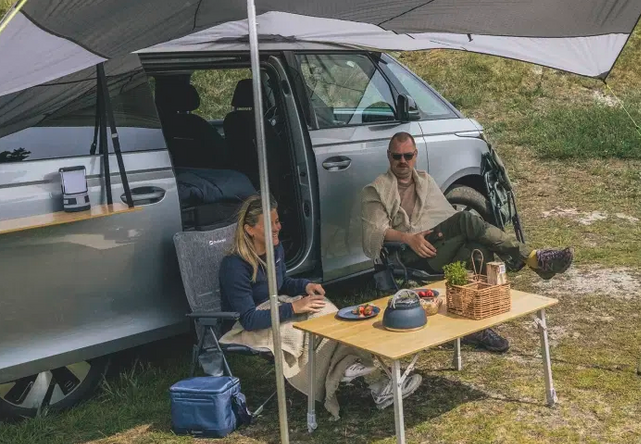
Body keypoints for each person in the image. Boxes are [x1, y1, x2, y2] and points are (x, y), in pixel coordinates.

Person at [359, 131, 573, 353]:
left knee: (478, 249)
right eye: (397, 156)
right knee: (465, 219)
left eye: (407, 155)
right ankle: (533, 259)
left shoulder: (424, 180)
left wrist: (444, 232)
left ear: (416, 155)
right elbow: (375, 232)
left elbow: (442, 215)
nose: (402, 161)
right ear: (388, 156)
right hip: (408, 255)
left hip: (438, 247)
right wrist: (408, 238)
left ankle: (476, 327)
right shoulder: (376, 190)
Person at [219, 195, 420, 416]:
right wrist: (294, 309)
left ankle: (369, 378)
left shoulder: (274, 249)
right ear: (250, 229)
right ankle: (354, 373)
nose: (278, 227)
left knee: (328, 313)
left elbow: (282, 283)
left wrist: (305, 286)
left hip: (277, 308)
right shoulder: (234, 266)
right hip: (250, 325)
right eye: (271, 224)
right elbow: (248, 319)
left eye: (277, 221)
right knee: (312, 323)